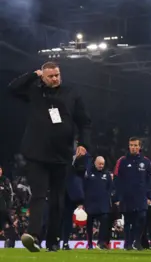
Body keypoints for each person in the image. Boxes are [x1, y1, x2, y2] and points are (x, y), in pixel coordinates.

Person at [8, 62, 92, 252]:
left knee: (57, 200)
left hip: (61, 155)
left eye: (57, 75)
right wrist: (32, 75)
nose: (55, 78)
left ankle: (53, 240)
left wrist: (84, 144)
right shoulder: (35, 91)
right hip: (36, 154)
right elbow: (12, 89)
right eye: (50, 76)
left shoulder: (72, 93)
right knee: (38, 194)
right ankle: (34, 236)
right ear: (43, 77)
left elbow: (84, 121)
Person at [113, 137, 151, 251]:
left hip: (141, 196)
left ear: (140, 147)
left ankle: (137, 241)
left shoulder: (146, 161)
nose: (133, 147)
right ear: (128, 146)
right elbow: (116, 179)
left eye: (136, 145)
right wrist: (117, 197)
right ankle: (128, 243)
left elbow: (149, 180)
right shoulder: (122, 161)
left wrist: (149, 196)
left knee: (142, 218)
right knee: (128, 221)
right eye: (131, 145)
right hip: (127, 196)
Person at [83, 156, 113, 250]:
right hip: (90, 204)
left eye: (102, 164)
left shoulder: (107, 174)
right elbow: (84, 187)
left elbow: (111, 187)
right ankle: (90, 244)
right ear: (95, 163)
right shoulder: (88, 173)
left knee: (105, 221)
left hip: (103, 204)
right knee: (89, 224)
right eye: (99, 164)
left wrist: (107, 196)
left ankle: (101, 242)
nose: (101, 166)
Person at [0, 166, 13, 234]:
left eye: (0, 169)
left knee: (8, 222)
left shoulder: (5, 180)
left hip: (4, 207)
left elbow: (10, 193)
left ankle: (9, 237)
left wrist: (9, 205)